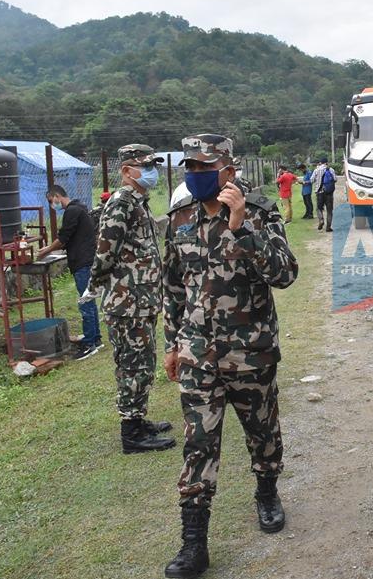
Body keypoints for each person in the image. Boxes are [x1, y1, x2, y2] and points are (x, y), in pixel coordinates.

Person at [162, 134, 299, 579]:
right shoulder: (179, 217)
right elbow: (174, 287)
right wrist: (172, 343)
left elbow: (284, 274)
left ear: (228, 170)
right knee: (198, 442)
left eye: (205, 168)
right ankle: (194, 545)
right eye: (191, 168)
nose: (196, 175)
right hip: (198, 353)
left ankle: (266, 492)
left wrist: (241, 226)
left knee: (262, 431)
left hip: (249, 351)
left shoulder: (260, 213)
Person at [86, 143, 176, 454]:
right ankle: (131, 432)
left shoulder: (140, 202)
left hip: (141, 299)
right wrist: (95, 284)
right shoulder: (121, 203)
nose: (151, 172)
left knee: (143, 362)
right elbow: (104, 252)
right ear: (127, 171)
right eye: (145, 166)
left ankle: (138, 420)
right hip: (127, 304)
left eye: (153, 165)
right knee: (132, 365)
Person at [39, 184, 101, 360]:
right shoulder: (80, 208)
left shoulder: (72, 211)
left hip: (82, 262)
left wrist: (46, 251)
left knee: (85, 302)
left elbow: (63, 238)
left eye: (52, 201)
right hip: (86, 259)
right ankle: (95, 338)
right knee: (89, 299)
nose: (53, 205)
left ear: (57, 196)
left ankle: (90, 344)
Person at [310, 158, 335, 232]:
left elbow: (312, 180)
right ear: (327, 162)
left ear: (320, 162)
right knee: (329, 211)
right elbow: (335, 179)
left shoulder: (317, 170)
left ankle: (321, 220)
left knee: (319, 208)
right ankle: (328, 227)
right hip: (329, 193)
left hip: (319, 193)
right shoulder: (331, 170)